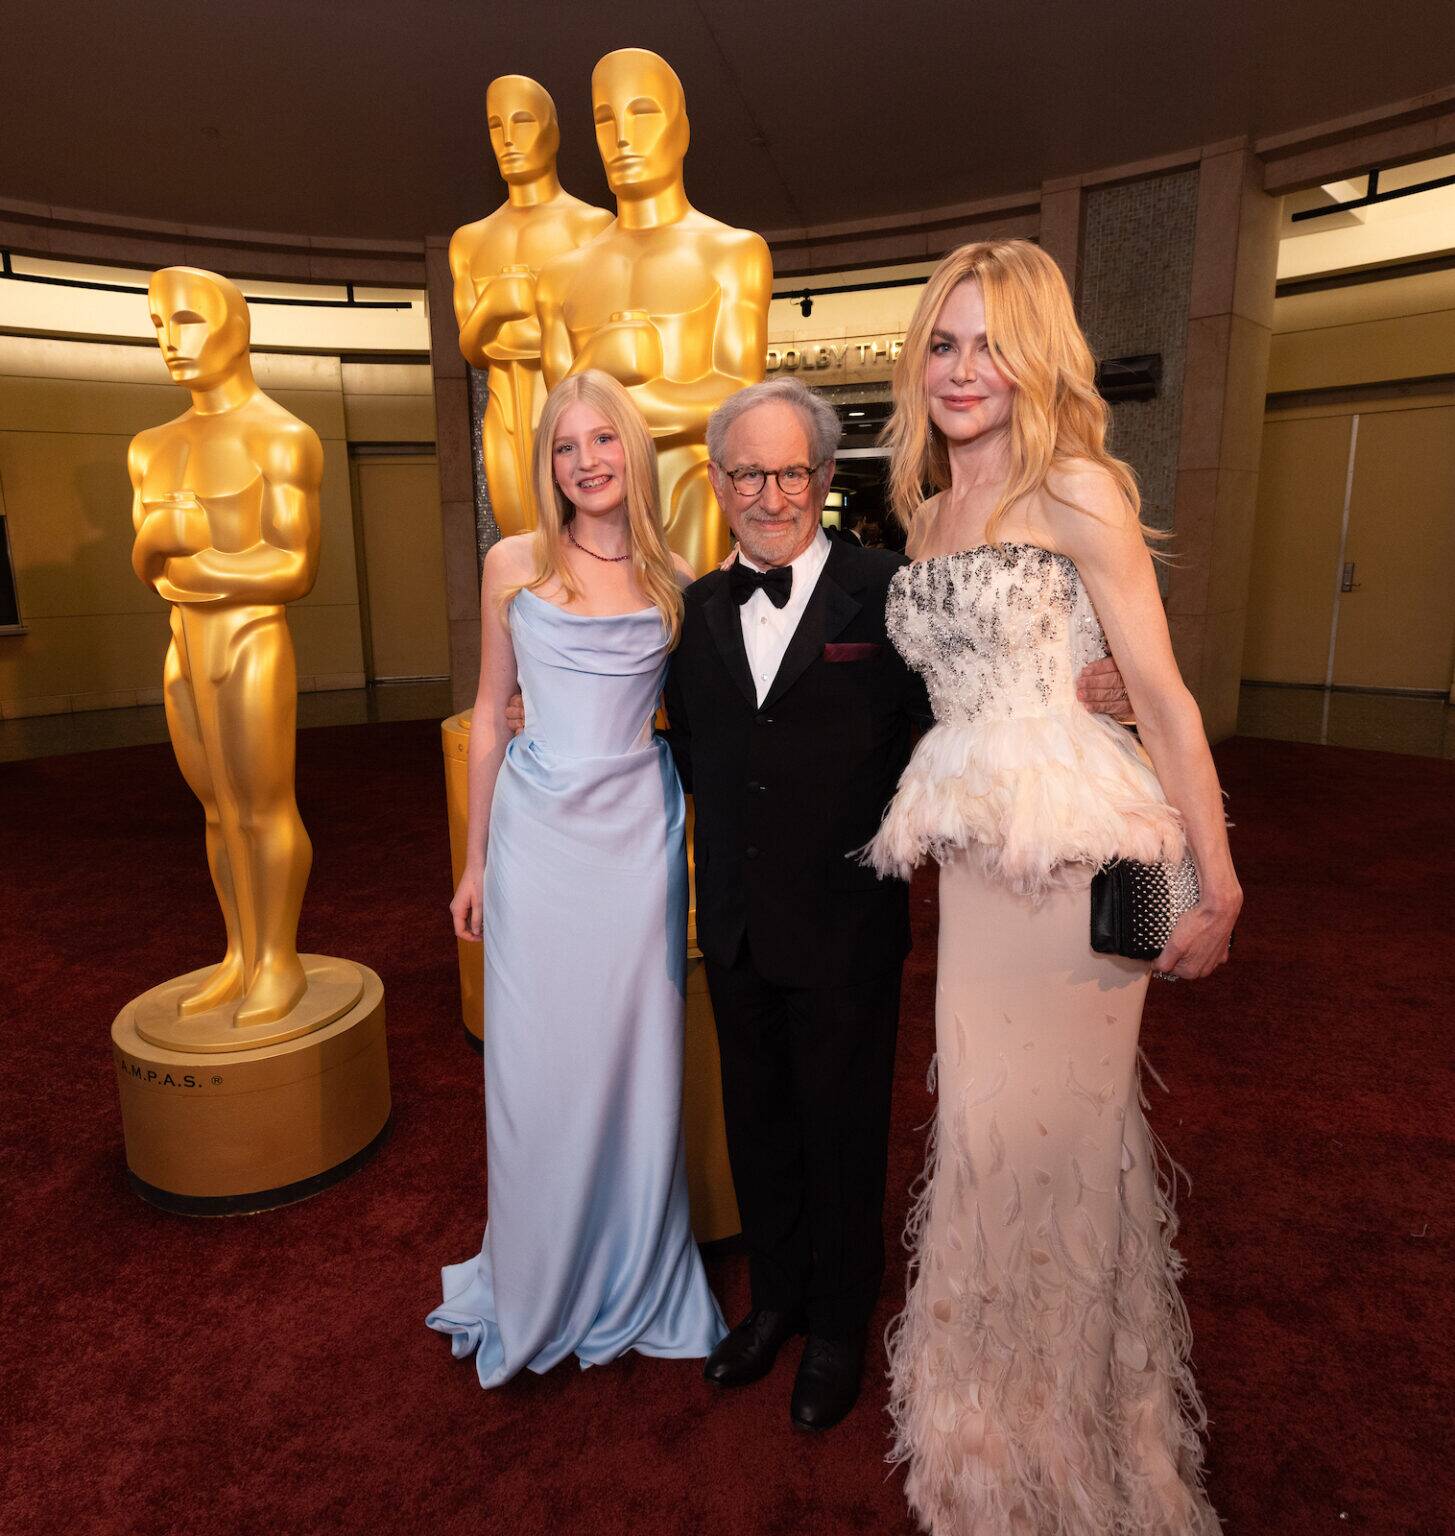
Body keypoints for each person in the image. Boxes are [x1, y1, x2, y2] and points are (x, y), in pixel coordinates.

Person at [660, 377, 1131, 1431]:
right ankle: (776, 1300)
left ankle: (836, 1323)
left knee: (842, 1128)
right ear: (720, 482)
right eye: (749, 473)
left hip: (844, 925)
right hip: (735, 921)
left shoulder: (890, 591)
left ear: (825, 480)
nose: (770, 494)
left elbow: (975, 707)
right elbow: (695, 749)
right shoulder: (694, 611)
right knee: (759, 1122)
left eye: (793, 472)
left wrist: (1109, 687)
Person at [865, 240, 1237, 1533]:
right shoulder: (921, 512)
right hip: (974, 874)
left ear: (1037, 361)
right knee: (974, 1133)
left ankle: (1078, 1450)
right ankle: (985, 1446)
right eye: (944, 342)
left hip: (1088, 861)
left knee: (1063, 1146)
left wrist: (1216, 876)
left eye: (992, 343)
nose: (965, 369)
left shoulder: (1073, 486)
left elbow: (1167, 693)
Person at [427, 369, 725, 1386]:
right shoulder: (513, 559)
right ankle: (541, 1271)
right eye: (566, 446)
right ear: (545, 463)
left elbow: (705, 718)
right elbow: (486, 713)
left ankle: (635, 1265)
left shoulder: (677, 572)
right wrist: (471, 862)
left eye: (603, 441)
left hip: (637, 840)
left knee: (634, 1061)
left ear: (632, 454)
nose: (586, 461)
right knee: (534, 1066)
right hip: (537, 838)